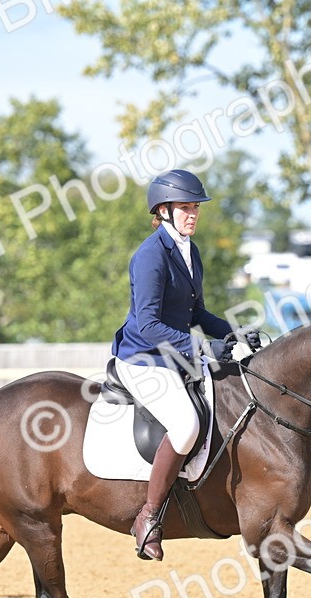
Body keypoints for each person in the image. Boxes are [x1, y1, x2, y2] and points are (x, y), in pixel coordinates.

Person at [112, 169, 261, 561]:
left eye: (195, 207)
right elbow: (147, 323)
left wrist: (235, 332)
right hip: (144, 357)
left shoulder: (189, 251)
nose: (193, 214)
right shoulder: (150, 256)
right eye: (185, 208)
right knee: (186, 424)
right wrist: (203, 349)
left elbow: (196, 311)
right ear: (163, 211)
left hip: (176, 353)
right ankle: (148, 517)